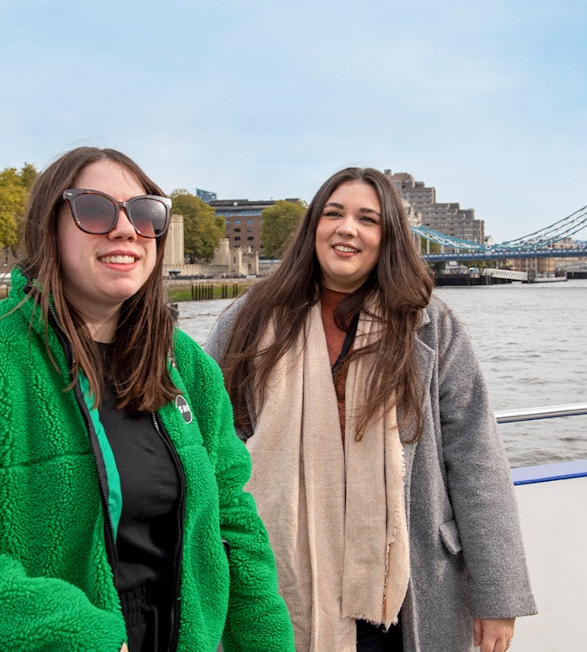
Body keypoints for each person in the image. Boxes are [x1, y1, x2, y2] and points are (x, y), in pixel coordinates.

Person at [0, 146, 294, 652]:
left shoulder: (185, 365)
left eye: (145, 213)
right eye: (94, 210)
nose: (125, 229)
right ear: (48, 229)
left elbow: (233, 523)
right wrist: (73, 634)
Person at [205, 167, 537, 652]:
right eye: (333, 213)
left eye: (368, 219)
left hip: (401, 591)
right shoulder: (248, 320)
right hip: (278, 579)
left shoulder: (429, 326)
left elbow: (476, 461)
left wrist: (497, 594)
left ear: (389, 239)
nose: (347, 228)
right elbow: (206, 439)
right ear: (313, 227)